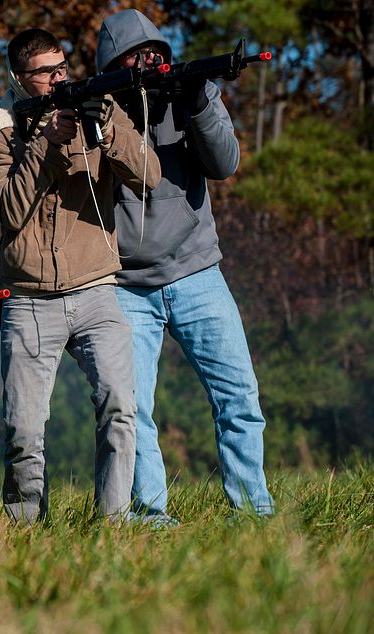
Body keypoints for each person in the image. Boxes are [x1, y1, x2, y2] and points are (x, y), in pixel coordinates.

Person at [0, 28, 161, 525]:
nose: (60, 78)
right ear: (19, 79)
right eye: (46, 72)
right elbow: (11, 211)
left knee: (121, 408)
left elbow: (150, 176)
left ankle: (114, 523)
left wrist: (113, 130)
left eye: (63, 67)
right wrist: (42, 145)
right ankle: (25, 529)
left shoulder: (95, 104)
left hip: (98, 288)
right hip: (29, 299)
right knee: (23, 429)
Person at [96, 9, 274, 522]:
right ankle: (151, 516)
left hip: (198, 271)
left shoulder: (192, 94)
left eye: (157, 52)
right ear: (114, 62)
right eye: (136, 55)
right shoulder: (97, 111)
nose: (150, 61)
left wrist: (197, 101)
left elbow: (225, 165)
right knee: (132, 411)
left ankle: (253, 510)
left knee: (239, 397)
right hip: (125, 284)